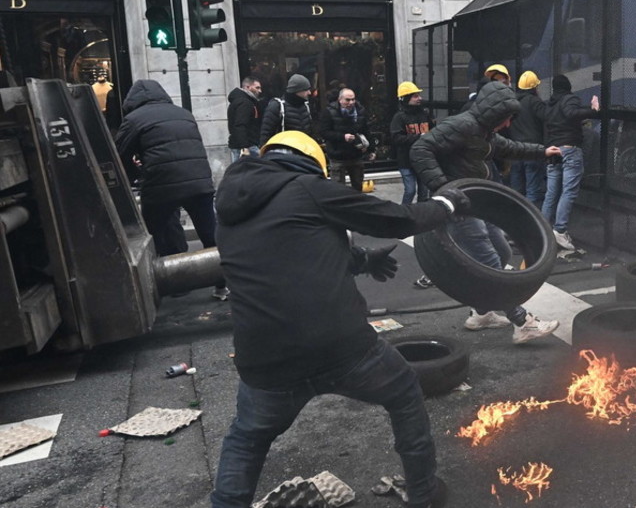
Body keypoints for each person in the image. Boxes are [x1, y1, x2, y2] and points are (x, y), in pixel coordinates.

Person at [210, 131, 467, 508]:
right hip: (340, 347)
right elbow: (394, 219)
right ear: (311, 163)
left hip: (265, 360)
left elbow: (293, 250)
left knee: (246, 440)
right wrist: (445, 205)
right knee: (403, 392)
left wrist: (363, 260)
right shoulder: (308, 188)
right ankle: (424, 492)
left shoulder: (228, 211)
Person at [410, 83, 563, 343]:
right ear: (495, 113)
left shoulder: (484, 132)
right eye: (506, 118)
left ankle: (481, 313)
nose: (508, 124)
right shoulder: (462, 125)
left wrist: (543, 152)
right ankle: (522, 322)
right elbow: (420, 149)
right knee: (490, 261)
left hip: (478, 203)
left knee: (502, 252)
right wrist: (443, 187)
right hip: (458, 205)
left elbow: (510, 147)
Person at [115, 79, 227, 300]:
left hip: (161, 184)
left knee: (153, 234)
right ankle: (223, 285)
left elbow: (118, 155)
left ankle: (168, 284)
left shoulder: (134, 119)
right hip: (199, 181)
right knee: (210, 234)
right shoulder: (183, 113)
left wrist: (136, 175)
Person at [541, 75, 599, 252]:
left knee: (551, 193)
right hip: (569, 149)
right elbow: (571, 113)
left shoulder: (550, 104)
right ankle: (559, 230)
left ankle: (542, 228)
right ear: (568, 86)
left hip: (553, 150)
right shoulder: (570, 99)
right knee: (569, 191)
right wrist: (592, 110)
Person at [319, 87, 373, 191]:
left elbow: (366, 130)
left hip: (355, 153)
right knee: (338, 188)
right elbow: (324, 132)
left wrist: (371, 149)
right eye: (347, 100)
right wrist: (342, 137)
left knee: (358, 186)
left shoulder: (360, 111)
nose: (351, 102)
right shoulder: (329, 112)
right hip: (337, 155)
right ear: (340, 100)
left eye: (353, 99)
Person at [390, 81, 435, 205]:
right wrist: (419, 137)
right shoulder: (399, 117)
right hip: (406, 160)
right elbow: (396, 138)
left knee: (424, 192)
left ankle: (421, 213)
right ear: (406, 98)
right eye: (415, 96)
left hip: (423, 159)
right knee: (410, 191)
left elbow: (433, 131)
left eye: (418, 95)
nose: (419, 98)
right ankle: (404, 212)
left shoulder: (425, 114)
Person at [507, 71, 548, 206]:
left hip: (515, 149)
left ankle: (515, 214)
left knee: (516, 190)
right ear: (534, 87)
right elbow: (547, 119)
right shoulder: (535, 102)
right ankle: (530, 217)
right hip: (532, 150)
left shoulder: (512, 102)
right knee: (533, 190)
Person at [258, 74, 314, 146]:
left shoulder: (306, 106)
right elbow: (266, 134)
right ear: (296, 90)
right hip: (283, 150)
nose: (309, 92)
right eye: (306, 90)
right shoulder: (277, 106)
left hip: (304, 149)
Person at [227, 76, 263, 162]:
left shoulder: (243, 101)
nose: (260, 91)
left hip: (245, 145)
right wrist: (244, 147)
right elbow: (240, 125)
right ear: (247, 87)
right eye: (257, 87)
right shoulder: (244, 103)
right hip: (247, 146)